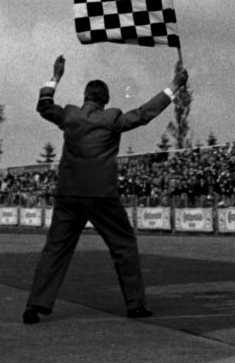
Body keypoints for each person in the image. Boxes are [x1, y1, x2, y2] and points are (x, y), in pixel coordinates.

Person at [23, 54, 187, 324]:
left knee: (55, 249)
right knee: (123, 245)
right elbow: (144, 114)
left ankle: (35, 305)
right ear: (105, 100)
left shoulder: (70, 115)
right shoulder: (112, 118)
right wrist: (174, 86)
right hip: (101, 195)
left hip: (69, 193)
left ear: (86, 96)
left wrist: (55, 77)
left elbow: (43, 106)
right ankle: (135, 305)